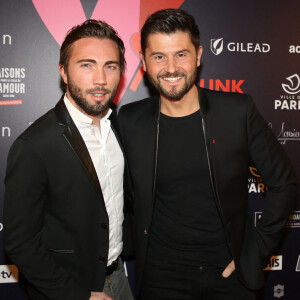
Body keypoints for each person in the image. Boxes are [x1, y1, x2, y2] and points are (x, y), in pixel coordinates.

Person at [117, 9, 298, 300]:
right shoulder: (130, 120)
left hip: (228, 279)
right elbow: (121, 196)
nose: (171, 67)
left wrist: (252, 256)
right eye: (159, 56)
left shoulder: (237, 112)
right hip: (160, 281)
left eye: (181, 54)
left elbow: (285, 184)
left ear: (199, 56)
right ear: (144, 62)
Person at [4, 20, 133, 300]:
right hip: (69, 288)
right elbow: (20, 242)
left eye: (110, 66)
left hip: (119, 277)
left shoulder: (121, 128)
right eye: (87, 65)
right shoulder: (34, 145)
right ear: (64, 71)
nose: (100, 79)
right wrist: (78, 295)